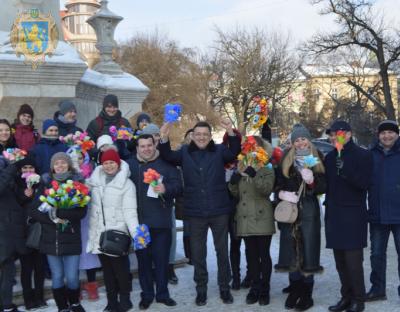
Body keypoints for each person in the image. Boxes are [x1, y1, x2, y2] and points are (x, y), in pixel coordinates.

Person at [159, 119, 241, 306]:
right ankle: (201, 289)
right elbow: (167, 156)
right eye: (198, 134)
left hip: (219, 209)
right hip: (195, 211)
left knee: (222, 251)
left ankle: (224, 288)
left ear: (210, 136)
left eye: (205, 134)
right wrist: (164, 137)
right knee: (198, 253)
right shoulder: (185, 152)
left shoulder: (219, 151)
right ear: (193, 136)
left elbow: (234, 151)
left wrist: (231, 131)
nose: (201, 137)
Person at [127, 134, 182, 309]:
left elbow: (179, 187)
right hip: (140, 225)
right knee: (143, 263)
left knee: (161, 261)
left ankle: (162, 294)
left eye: (149, 145)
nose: (146, 149)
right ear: (137, 148)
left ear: (154, 145)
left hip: (161, 223)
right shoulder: (129, 166)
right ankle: (147, 294)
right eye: (142, 146)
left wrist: (166, 188)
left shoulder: (166, 164)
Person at [275, 124, 326, 311]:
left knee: (308, 250)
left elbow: (324, 186)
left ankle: (306, 293)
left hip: (309, 211)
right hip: (290, 211)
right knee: (291, 250)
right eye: (297, 140)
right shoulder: (286, 158)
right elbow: (277, 182)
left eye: (303, 138)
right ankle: (295, 289)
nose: (300, 142)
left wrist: (312, 181)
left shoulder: (316, 157)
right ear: (293, 142)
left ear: (308, 140)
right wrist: (282, 194)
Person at [324, 120, 373, 312]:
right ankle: (346, 297)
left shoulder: (363, 155)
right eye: (333, 133)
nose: (335, 136)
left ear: (349, 134)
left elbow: (364, 183)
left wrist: (345, 169)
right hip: (335, 215)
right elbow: (326, 186)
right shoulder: (329, 158)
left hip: (353, 215)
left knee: (353, 262)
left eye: (339, 133)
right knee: (340, 262)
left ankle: (358, 300)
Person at [30, 152, 87, 312]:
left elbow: (81, 212)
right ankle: (62, 306)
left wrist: (61, 213)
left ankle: (75, 303)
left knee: (72, 277)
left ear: (68, 165)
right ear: (52, 167)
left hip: (71, 237)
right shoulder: (46, 184)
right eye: (57, 163)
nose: (60, 166)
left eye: (63, 163)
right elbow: (34, 210)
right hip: (51, 239)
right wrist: (53, 218)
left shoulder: (77, 184)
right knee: (57, 276)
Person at [86, 148, 138, 312]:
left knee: (121, 271)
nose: (108, 166)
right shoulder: (93, 182)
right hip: (99, 234)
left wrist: (136, 234)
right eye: (105, 163)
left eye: (112, 162)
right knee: (107, 272)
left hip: (117, 234)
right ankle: (111, 301)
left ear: (118, 163)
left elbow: (130, 212)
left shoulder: (126, 184)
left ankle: (125, 299)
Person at [228, 136, 275, 306]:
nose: (248, 148)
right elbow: (236, 193)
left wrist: (254, 175)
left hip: (262, 216)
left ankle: (265, 289)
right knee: (252, 256)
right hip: (245, 217)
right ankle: (255, 287)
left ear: (260, 147)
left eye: (252, 145)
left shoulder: (267, 166)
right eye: (246, 146)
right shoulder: (241, 165)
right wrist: (233, 182)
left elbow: (266, 190)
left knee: (264, 255)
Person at [141, 123, 179, 284]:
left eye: (157, 136)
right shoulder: (138, 160)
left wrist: (166, 189)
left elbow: (177, 184)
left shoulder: (166, 156)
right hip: (143, 214)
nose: (155, 139)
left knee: (168, 239)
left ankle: (168, 267)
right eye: (151, 136)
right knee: (145, 251)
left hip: (163, 209)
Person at [367, 120, 400, 302]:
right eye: (383, 133)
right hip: (377, 213)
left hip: (399, 213)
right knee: (377, 254)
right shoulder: (371, 155)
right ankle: (378, 289)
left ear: (397, 134)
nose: (387, 136)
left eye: (391, 132)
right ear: (378, 135)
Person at [15, 155, 47, 310]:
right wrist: (23, 195)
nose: (28, 171)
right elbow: (13, 207)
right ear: (20, 170)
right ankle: (28, 299)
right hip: (23, 232)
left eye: (31, 168)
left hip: (39, 230)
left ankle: (40, 297)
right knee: (26, 268)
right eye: (25, 168)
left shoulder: (42, 184)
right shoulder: (15, 185)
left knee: (40, 267)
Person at [0, 148, 26, 312]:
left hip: (10, 230)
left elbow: (16, 197)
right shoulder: (6, 172)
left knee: (8, 271)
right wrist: (11, 167)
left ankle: (7, 304)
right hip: (2, 231)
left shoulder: (7, 173)